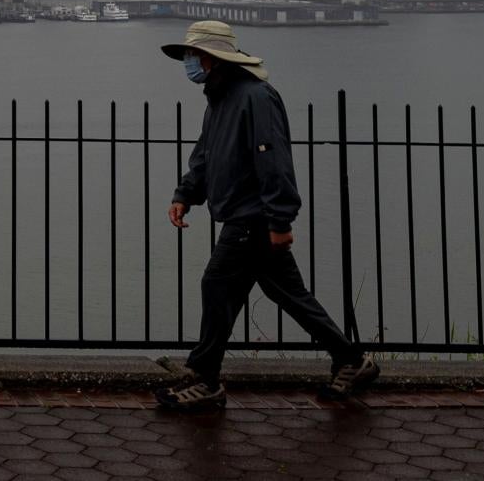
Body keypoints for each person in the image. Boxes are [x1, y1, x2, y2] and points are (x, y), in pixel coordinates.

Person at [154, 20, 378, 413]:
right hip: (247, 216)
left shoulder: (256, 96)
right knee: (288, 293)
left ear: (209, 58)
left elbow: (272, 159)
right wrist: (185, 194)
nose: (187, 62)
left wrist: (279, 221)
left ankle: (205, 380)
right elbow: (206, 155)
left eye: (191, 55)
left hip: (252, 217)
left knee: (217, 287)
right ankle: (352, 360)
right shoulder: (220, 99)